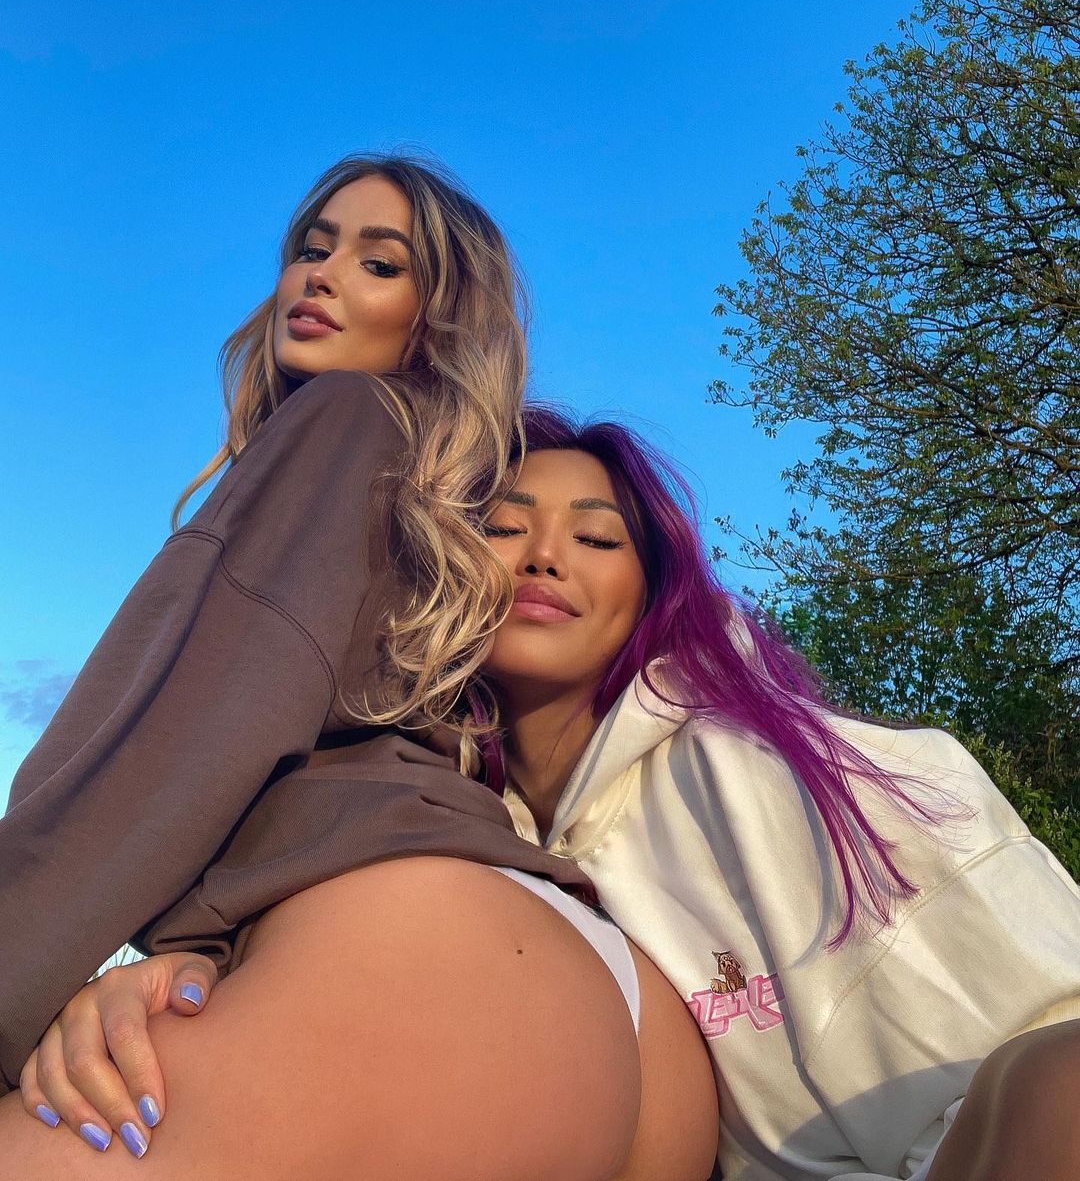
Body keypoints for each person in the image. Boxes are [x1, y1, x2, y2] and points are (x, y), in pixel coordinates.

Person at [23, 405, 1080, 1180]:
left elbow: (1041, 1031)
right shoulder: (449, 811)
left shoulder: (777, 767)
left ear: (652, 590)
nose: (543, 556)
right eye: (503, 524)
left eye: (597, 536)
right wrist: (183, 972)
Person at [0, 156, 721, 1178]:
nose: (323, 275)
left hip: (410, 963)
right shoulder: (434, 511)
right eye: (311, 248)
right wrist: (196, 958)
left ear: (437, 319)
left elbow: (160, 761)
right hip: (618, 1021)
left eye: (379, 263)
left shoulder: (346, 417)